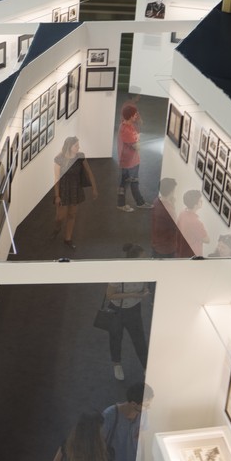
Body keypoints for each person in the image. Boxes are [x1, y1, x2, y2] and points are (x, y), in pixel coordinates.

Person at [104, 245, 151, 381]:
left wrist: (145, 291)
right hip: (116, 310)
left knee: (139, 339)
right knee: (116, 338)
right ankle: (117, 364)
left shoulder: (144, 271)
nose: (146, 260)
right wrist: (133, 294)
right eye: (143, 258)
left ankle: (146, 367)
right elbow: (109, 295)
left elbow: (144, 286)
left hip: (134, 309)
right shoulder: (119, 273)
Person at [53, 136, 97, 250]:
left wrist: (94, 188)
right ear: (69, 147)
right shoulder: (59, 159)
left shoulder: (80, 157)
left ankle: (67, 238)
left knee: (72, 214)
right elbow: (56, 179)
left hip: (75, 189)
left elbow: (89, 172)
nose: (79, 147)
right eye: (76, 145)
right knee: (60, 217)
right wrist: (57, 195)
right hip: (63, 190)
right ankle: (57, 228)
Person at [117, 104, 150, 212]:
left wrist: (136, 137)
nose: (137, 116)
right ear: (131, 116)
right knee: (131, 183)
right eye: (135, 114)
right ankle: (138, 203)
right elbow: (137, 147)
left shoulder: (126, 125)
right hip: (130, 163)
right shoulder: (126, 130)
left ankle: (126, 203)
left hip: (130, 161)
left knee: (125, 183)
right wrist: (138, 138)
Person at [175, 190, 209, 257]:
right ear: (195, 205)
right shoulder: (196, 222)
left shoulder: (182, 213)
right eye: (200, 201)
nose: (202, 201)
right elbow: (207, 240)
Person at [150, 178, 178, 258]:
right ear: (171, 192)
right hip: (167, 247)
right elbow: (177, 226)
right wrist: (173, 206)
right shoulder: (169, 210)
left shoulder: (156, 201)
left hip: (156, 242)